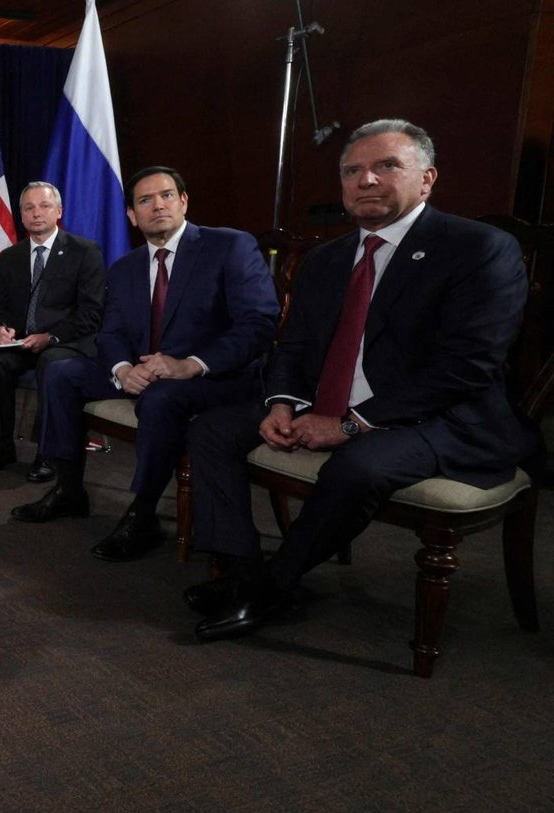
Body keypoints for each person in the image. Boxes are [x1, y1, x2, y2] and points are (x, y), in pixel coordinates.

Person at [186, 119, 534, 640]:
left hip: (442, 418)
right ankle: (238, 570)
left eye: (386, 166)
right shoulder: (325, 259)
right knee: (211, 429)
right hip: (326, 401)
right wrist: (281, 404)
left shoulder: (479, 248)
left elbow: (466, 368)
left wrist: (351, 424)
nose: (365, 180)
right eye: (352, 171)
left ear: (427, 178)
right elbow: (293, 347)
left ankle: (270, 588)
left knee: (358, 466)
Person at [12, 166, 278, 561]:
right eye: (145, 200)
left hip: (213, 377)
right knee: (61, 371)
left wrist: (191, 364)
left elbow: (258, 324)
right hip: (143, 372)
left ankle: (143, 512)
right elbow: (110, 332)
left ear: (183, 201)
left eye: (167, 195)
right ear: (132, 216)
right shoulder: (125, 267)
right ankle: (68, 489)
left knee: (161, 397)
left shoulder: (229, 246)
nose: (158, 206)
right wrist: (122, 369)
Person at [0, 181, 106, 480]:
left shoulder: (85, 252)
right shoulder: (10, 256)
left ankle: (48, 452)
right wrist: (2, 328)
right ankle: (2, 444)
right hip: (23, 343)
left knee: (51, 363)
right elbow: (1, 307)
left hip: (66, 342)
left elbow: (91, 313)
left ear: (58, 211)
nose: (37, 213)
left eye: (44, 206)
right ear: (21, 215)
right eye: (29, 208)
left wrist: (50, 337)